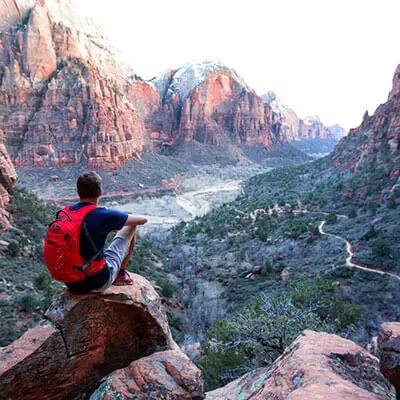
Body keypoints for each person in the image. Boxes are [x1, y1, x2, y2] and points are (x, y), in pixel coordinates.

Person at [52, 171, 147, 293]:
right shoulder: (102, 215)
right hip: (98, 282)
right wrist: (115, 224)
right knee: (131, 225)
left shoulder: (64, 213)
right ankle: (120, 275)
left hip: (71, 281)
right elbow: (142, 220)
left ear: (78, 192)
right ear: (100, 192)